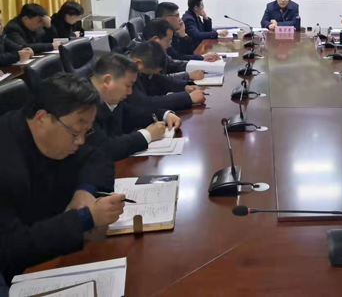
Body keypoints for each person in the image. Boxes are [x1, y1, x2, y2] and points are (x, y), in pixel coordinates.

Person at [0, 73, 123, 282]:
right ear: (42, 118)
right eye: (76, 132)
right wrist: (84, 219)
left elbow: (98, 156)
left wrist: (85, 190)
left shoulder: (63, 129)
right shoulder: (7, 163)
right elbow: (10, 247)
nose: (81, 141)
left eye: (86, 131)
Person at [87, 53, 182, 161]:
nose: (130, 92)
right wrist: (147, 135)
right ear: (107, 81)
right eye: (128, 85)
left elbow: (133, 112)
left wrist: (164, 115)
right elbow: (105, 148)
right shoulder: (84, 105)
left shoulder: (109, 96)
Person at [128, 41, 206, 111]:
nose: (152, 76)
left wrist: (185, 86)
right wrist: (188, 98)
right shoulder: (126, 76)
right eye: (151, 74)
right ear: (138, 63)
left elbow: (160, 80)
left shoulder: (139, 68)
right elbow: (145, 103)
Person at [156, 2, 220, 62]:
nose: (180, 19)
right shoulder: (161, 35)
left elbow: (189, 52)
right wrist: (202, 57)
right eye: (177, 16)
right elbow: (176, 58)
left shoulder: (174, 31)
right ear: (166, 18)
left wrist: (183, 35)